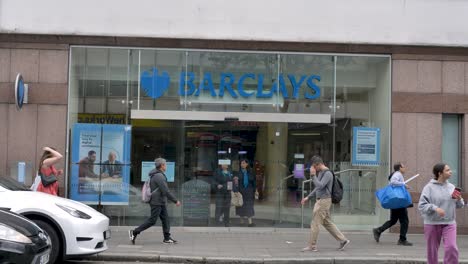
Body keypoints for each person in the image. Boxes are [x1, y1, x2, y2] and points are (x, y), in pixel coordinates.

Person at [300, 155, 350, 252]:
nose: (314, 169)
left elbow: (320, 185)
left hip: (324, 201)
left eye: (314, 167)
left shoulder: (327, 173)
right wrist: (308, 197)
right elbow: (318, 188)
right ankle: (343, 240)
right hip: (322, 200)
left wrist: (313, 176)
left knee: (315, 223)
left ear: (318, 164)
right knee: (327, 223)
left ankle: (312, 246)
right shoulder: (321, 172)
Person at [418, 163, 464, 264]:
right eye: (447, 170)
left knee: (451, 247)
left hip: (449, 223)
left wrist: (459, 199)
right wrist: (435, 208)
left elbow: (459, 206)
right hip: (432, 223)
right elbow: (421, 205)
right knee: (432, 251)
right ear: (440, 173)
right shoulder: (428, 188)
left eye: (450, 169)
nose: (450, 171)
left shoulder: (452, 187)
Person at [129, 158, 181, 244]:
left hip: (160, 201)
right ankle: (134, 232)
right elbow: (165, 191)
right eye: (165, 165)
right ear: (162, 166)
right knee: (152, 220)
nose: (166, 166)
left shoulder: (157, 174)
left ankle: (167, 238)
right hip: (157, 202)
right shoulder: (159, 176)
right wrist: (175, 201)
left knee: (165, 220)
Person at [372, 162, 413, 246]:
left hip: (395, 201)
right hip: (399, 201)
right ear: (399, 168)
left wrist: (404, 185)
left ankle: (378, 230)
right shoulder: (398, 174)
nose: (405, 168)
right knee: (404, 221)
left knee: (393, 220)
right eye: (403, 167)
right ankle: (402, 239)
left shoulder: (396, 174)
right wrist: (403, 184)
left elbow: (394, 183)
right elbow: (393, 182)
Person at [234, 159, 256, 227]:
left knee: (249, 206)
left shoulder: (251, 173)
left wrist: (255, 190)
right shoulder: (237, 173)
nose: (242, 164)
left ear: (247, 164)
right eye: (241, 163)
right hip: (241, 192)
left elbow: (254, 183)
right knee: (241, 206)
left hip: (249, 192)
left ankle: (250, 222)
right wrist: (236, 191)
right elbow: (235, 183)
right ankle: (241, 221)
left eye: (243, 163)